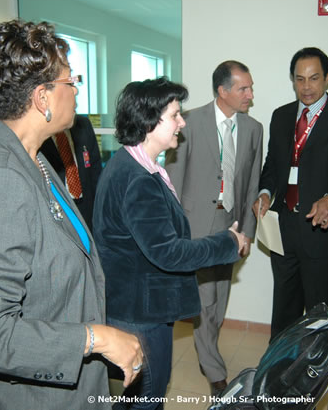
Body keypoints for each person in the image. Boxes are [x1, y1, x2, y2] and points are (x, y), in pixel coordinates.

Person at [0, 20, 143, 410]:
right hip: (26, 396)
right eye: (70, 81)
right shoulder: (0, 179)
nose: (76, 90)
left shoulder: (35, 157)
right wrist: (95, 338)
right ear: (43, 98)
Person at [92, 77, 247, 409]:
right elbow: (170, 253)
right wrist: (228, 242)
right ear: (150, 121)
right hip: (139, 312)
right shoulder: (137, 180)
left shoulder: (133, 164)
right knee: (148, 396)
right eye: (175, 115)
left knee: (139, 395)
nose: (182, 123)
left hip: (138, 305)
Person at [254, 47, 328, 340]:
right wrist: (265, 192)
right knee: (284, 313)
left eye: (314, 78)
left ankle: (313, 376)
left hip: (322, 230)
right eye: (299, 79)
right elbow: (272, 165)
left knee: (319, 317)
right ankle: (278, 373)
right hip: (284, 229)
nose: (306, 87)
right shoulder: (281, 117)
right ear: (292, 80)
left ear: (327, 79)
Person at [165, 60, 263, 395]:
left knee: (219, 300)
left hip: (230, 224)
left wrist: (247, 231)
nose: (250, 94)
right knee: (205, 302)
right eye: (243, 88)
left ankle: (208, 351)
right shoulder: (189, 122)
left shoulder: (253, 129)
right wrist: (176, 231)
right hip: (196, 225)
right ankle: (215, 371)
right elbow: (174, 180)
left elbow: (252, 184)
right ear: (223, 91)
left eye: (250, 88)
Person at [40, 114, 102, 233]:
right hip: (60, 214)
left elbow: (96, 173)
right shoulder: (40, 134)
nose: (75, 96)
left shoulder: (83, 125)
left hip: (87, 210)